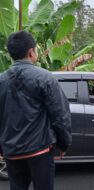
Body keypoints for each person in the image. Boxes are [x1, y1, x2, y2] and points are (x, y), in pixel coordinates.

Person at [0, 31, 72, 190]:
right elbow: (60, 115)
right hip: (39, 150)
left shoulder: (1, 80)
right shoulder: (45, 78)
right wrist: (64, 144)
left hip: (11, 152)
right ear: (31, 52)